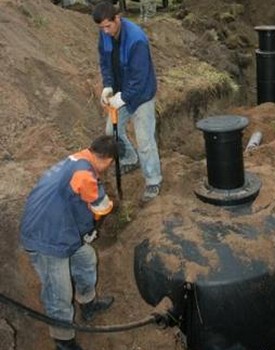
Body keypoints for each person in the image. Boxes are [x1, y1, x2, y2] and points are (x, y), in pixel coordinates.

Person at [20, 135, 118, 350]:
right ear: (108, 161)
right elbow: (100, 207)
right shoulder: (84, 172)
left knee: (86, 258)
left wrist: (85, 231)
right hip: (45, 237)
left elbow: (76, 201)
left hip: (59, 226)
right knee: (59, 292)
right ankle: (63, 341)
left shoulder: (78, 159)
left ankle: (87, 303)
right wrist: (93, 227)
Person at [92, 1, 163, 203]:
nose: (105, 31)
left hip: (141, 96)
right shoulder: (104, 35)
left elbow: (139, 79)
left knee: (145, 141)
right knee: (111, 132)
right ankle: (130, 158)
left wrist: (122, 98)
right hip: (121, 92)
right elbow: (105, 62)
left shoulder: (136, 40)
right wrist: (108, 86)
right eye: (101, 27)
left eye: (108, 26)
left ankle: (153, 180)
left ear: (118, 18)